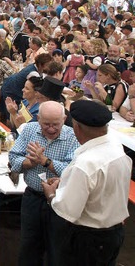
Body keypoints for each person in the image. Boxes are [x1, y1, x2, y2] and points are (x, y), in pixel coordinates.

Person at [43, 100, 131, 266]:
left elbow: (67, 210)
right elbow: (104, 185)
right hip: (114, 233)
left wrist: (51, 195)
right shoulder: (116, 148)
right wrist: (67, 183)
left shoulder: (85, 163)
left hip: (88, 238)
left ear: (76, 127)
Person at [8, 101, 80, 266]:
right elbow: (13, 157)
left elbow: (73, 171)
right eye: (46, 124)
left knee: (57, 248)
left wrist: (45, 161)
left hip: (60, 201)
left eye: (56, 124)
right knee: (29, 246)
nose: (51, 128)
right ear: (38, 118)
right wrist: (30, 163)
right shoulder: (30, 129)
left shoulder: (73, 136)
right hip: (32, 198)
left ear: (64, 119)